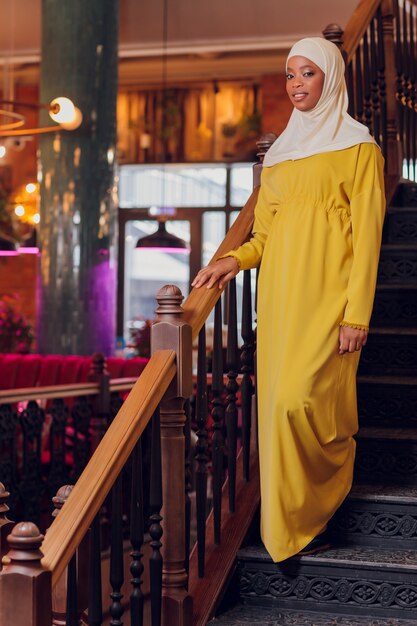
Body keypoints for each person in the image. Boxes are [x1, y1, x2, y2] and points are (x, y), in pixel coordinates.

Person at [192, 37, 386, 562]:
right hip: (280, 301)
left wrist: (357, 315)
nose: (296, 84)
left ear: (331, 79)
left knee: (307, 403)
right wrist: (234, 261)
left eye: (308, 74)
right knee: (277, 408)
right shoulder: (280, 154)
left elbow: (368, 240)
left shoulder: (360, 149)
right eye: (289, 75)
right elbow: (265, 235)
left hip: (331, 300)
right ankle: (292, 529)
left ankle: (316, 507)